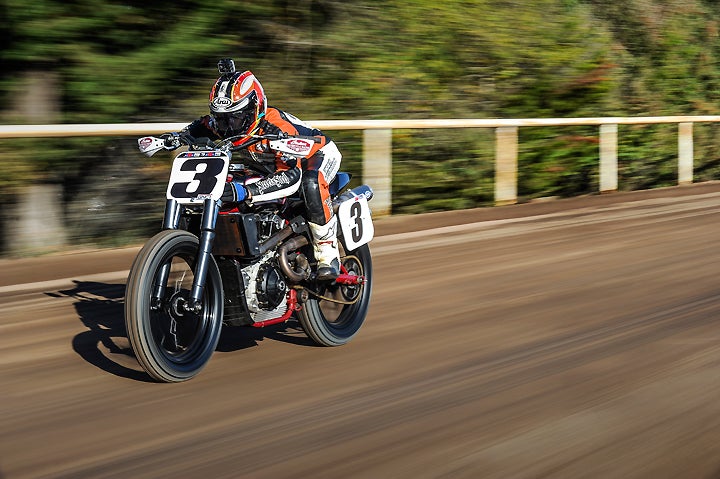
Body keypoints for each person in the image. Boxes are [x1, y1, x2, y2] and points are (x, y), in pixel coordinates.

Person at [164, 58, 342, 280]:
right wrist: (172, 138)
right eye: (221, 119)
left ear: (254, 109)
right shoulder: (222, 123)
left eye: (235, 118)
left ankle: (327, 252)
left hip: (316, 154)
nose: (227, 127)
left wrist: (247, 191)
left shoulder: (276, 127)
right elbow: (198, 128)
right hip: (269, 164)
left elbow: (290, 176)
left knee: (310, 182)